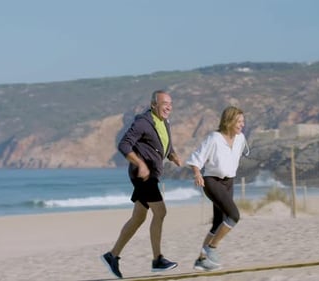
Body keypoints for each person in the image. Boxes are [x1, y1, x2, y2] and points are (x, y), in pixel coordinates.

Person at [101, 90, 182, 279]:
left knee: (138, 218)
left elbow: (162, 144)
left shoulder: (164, 122)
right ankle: (157, 260)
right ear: (154, 104)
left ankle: (112, 256)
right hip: (143, 177)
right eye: (164, 103)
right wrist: (140, 164)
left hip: (152, 175)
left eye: (170, 103)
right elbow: (124, 145)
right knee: (161, 212)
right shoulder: (143, 122)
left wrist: (172, 154)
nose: (168, 107)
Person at [186, 105, 248, 271]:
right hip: (212, 181)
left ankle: (201, 260)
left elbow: (234, 157)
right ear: (229, 121)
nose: (242, 124)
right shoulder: (214, 138)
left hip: (229, 182)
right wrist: (197, 173)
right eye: (239, 121)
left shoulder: (241, 138)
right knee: (234, 215)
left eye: (243, 121)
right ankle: (211, 248)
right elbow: (196, 158)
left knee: (218, 223)